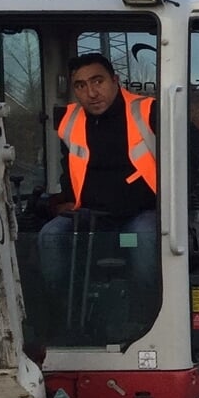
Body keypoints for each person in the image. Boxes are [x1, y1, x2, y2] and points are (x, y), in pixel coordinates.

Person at [40, 53, 162, 299]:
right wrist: (63, 200)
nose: (92, 93)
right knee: (50, 236)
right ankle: (61, 311)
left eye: (98, 81)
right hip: (90, 214)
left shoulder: (148, 112)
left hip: (141, 212)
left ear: (115, 80)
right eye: (81, 86)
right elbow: (71, 167)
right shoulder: (71, 120)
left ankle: (149, 311)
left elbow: (188, 158)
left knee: (143, 238)